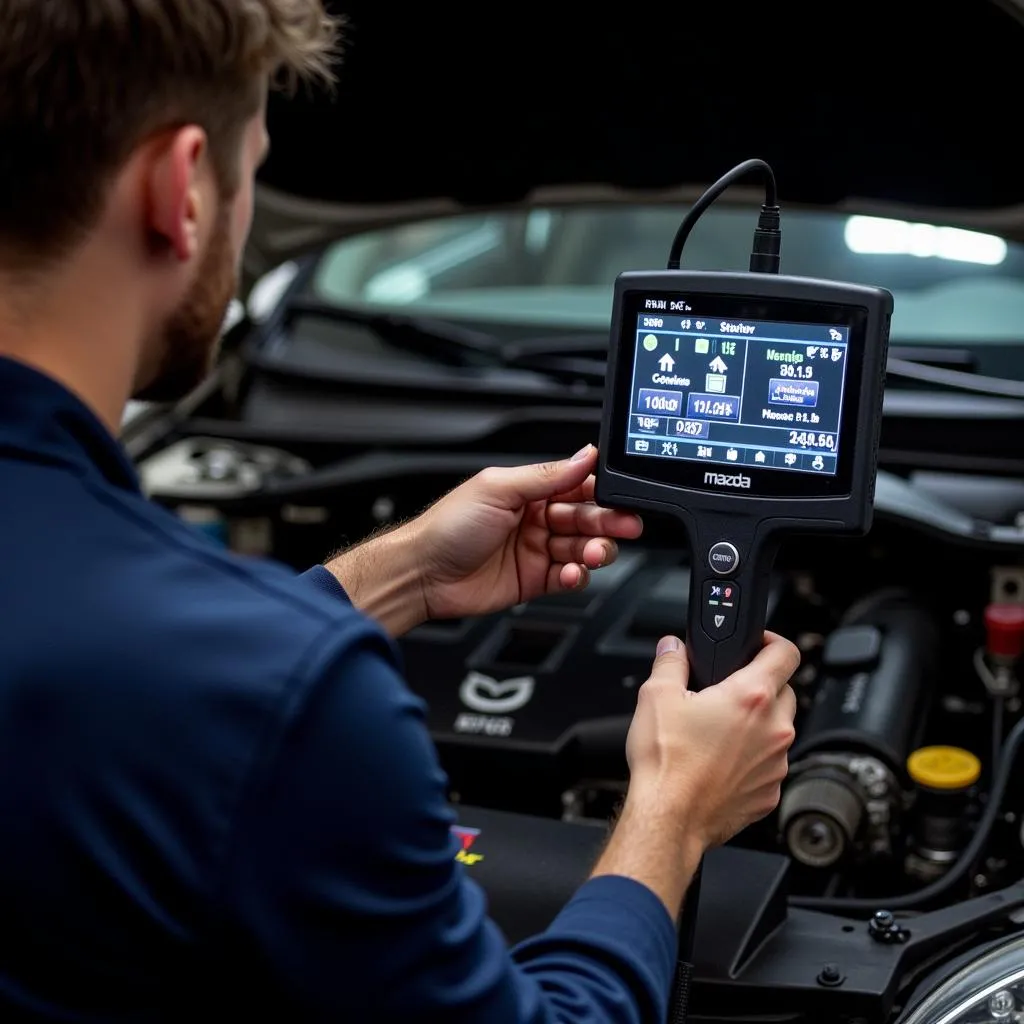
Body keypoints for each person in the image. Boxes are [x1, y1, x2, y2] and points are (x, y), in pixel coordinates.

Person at [0, 2, 799, 1020]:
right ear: (179, 188)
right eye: (255, 166)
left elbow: (121, 682)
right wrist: (675, 812)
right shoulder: (290, 699)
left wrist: (403, 572)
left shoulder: (198, 668)